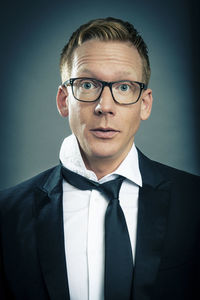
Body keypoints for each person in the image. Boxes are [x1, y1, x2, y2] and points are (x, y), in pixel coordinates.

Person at [0, 17, 199, 300]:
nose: (105, 106)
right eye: (87, 85)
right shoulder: (6, 215)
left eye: (124, 87)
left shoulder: (194, 201)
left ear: (145, 104)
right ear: (63, 100)